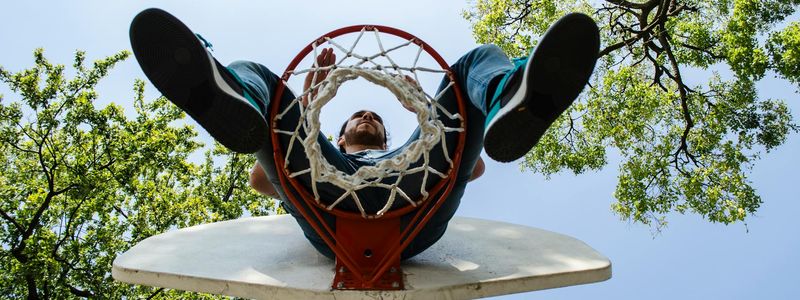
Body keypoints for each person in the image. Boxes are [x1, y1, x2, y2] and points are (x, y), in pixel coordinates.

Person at [129, 8, 599, 259]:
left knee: (471, 63)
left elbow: (468, 165)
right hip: (327, 198)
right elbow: (260, 179)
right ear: (341, 129)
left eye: (375, 117)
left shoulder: (407, 150)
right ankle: (229, 94)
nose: (368, 118)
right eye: (360, 117)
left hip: (414, 205)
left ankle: (510, 95)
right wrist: (310, 98)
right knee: (261, 77)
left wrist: (427, 116)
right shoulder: (321, 150)